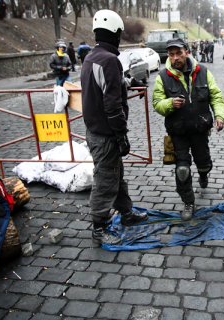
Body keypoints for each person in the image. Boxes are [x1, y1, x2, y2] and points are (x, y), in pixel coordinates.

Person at [81, 9, 148, 245]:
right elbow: (112, 104)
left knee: (115, 177)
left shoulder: (92, 57)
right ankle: (99, 228)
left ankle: (127, 214)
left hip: (97, 131)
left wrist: (131, 82)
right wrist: (121, 135)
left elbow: (109, 84)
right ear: (116, 34)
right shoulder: (109, 60)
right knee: (106, 181)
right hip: (106, 133)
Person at [152, 38, 224, 220]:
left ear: (187, 52)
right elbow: (156, 103)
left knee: (204, 162)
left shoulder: (203, 72)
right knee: (182, 168)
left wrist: (219, 116)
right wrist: (169, 103)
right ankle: (188, 201)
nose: (175, 57)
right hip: (178, 131)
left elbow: (215, 95)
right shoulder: (162, 76)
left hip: (200, 128)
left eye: (178, 53)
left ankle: (203, 174)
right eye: (171, 54)